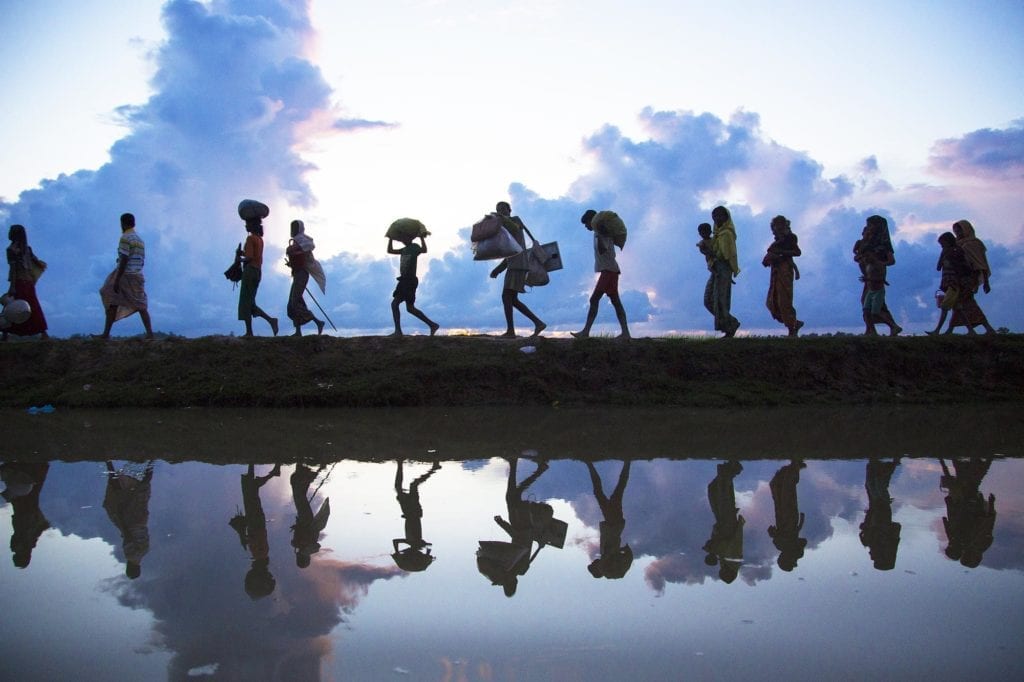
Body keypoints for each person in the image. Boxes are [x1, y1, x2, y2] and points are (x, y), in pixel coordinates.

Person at [489, 201, 545, 338]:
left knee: (506, 296)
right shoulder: (505, 229)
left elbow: (514, 247)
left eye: (503, 209)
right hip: (515, 264)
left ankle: (511, 331)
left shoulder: (515, 221)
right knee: (512, 298)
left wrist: (499, 269)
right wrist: (499, 268)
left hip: (517, 265)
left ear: (510, 210)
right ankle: (537, 323)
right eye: (498, 210)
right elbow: (509, 251)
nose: (501, 211)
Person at [571, 209, 630, 339]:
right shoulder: (600, 232)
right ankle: (626, 333)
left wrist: (599, 237)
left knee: (594, 299)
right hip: (611, 270)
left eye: (586, 224)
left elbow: (603, 250)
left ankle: (585, 332)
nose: (586, 227)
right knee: (616, 302)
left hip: (608, 271)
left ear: (591, 221)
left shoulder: (601, 232)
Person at [229, 463, 281, 599]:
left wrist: (244, 535)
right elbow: (258, 536)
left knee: (250, 493)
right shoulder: (260, 553)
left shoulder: (261, 555)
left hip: (256, 522)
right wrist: (244, 534)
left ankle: (252, 465)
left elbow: (256, 537)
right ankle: (269, 472)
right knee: (250, 492)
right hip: (256, 522)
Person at [98, 213, 154, 339]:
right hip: (137, 275)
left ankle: (106, 334)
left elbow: (124, 258)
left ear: (123, 224)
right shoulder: (140, 240)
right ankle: (150, 334)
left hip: (126, 275)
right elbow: (142, 260)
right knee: (141, 305)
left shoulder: (125, 238)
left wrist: (117, 279)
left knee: (110, 297)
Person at [103, 461, 155, 579]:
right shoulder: (130, 555)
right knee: (117, 494)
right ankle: (108, 461)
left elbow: (144, 533)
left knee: (142, 490)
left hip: (142, 520)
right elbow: (128, 536)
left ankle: (152, 461)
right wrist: (120, 517)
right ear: (129, 568)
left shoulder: (145, 551)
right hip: (131, 522)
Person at [853, 215, 901, 336]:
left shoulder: (884, 244)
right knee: (866, 303)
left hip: (876, 277)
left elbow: (891, 261)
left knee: (876, 306)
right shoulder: (867, 242)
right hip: (868, 276)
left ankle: (891, 326)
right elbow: (860, 256)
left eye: (871, 225)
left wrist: (879, 263)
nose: (869, 228)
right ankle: (871, 330)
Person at [584, 460, 633, 579]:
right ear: (597, 569)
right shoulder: (605, 566)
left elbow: (624, 556)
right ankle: (590, 464)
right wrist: (621, 551)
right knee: (607, 491)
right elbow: (616, 555)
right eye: (593, 564)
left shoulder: (606, 560)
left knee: (613, 491)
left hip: (613, 522)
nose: (593, 562)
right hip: (613, 522)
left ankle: (627, 462)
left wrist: (623, 550)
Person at [947, 219, 996, 335]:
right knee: (964, 303)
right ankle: (982, 328)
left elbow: (981, 264)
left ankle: (952, 330)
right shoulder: (957, 244)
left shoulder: (975, 243)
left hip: (970, 278)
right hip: (960, 278)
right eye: (955, 230)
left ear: (966, 229)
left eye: (959, 229)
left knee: (959, 302)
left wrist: (986, 282)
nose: (957, 232)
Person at [391, 460, 441, 572]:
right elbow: (395, 541)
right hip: (412, 512)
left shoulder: (415, 542)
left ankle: (432, 469)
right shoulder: (413, 542)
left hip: (412, 513)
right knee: (408, 486)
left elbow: (428, 548)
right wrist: (397, 551)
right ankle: (433, 469)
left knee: (408, 486)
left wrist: (425, 549)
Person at [388, 233, 439, 337]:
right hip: (403, 281)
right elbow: (390, 250)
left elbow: (424, 250)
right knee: (409, 308)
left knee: (395, 304)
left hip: (410, 281)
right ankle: (432, 325)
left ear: (410, 238)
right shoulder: (403, 250)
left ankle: (398, 331)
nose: (403, 240)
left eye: (405, 238)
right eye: (402, 239)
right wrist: (390, 238)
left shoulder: (414, 248)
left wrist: (421, 238)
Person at [237, 214, 278, 337]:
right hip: (257, 272)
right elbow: (254, 255)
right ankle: (270, 321)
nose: (246, 226)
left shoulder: (250, 239)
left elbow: (249, 257)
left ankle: (250, 331)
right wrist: (243, 253)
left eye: (247, 223)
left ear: (251, 225)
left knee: (245, 302)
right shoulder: (259, 239)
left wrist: (239, 259)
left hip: (250, 271)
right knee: (250, 302)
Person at [762, 215, 804, 336]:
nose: (775, 229)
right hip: (775, 271)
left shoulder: (790, 237)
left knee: (784, 300)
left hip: (785, 270)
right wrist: (768, 260)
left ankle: (792, 328)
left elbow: (797, 252)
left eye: (778, 226)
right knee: (772, 302)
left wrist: (780, 254)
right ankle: (793, 323)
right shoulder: (777, 241)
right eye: (774, 227)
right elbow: (769, 256)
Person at [4, 224, 48, 340]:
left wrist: (12, 286)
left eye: (10, 231)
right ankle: (43, 333)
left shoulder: (11, 250)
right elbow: (36, 262)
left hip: (18, 282)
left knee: (11, 307)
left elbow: (13, 270)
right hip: (28, 282)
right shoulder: (27, 249)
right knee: (33, 307)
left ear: (14, 234)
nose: (8, 233)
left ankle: (5, 334)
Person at [703, 460, 744, 583]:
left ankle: (728, 470)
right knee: (723, 494)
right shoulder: (733, 561)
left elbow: (719, 546)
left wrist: (712, 549)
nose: (720, 570)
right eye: (722, 573)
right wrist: (712, 549)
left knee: (715, 491)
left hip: (722, 524)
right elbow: (725, 545)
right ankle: (731, 470)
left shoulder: (727, 562)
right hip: (727, 525)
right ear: (727, 573)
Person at [284, 220, 325, 336]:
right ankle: (298, 331)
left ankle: (317, 321)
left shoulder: (303, 240)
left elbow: (309, 247)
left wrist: (296, 248)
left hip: (302, 274)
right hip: (297, 274)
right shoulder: (295, 241)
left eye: (294, 227)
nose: (292, 230)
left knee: (294, 303)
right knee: (294, 303)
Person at [927, 232, 972, 335]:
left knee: (944, 306)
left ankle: (937, 330)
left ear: (948, 242)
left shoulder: (957, 251)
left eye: (943, 244)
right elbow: (938, 267)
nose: (942, 246)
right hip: (949, 283)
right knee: (958, 308)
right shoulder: (946, 252)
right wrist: (943, 253)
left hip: (954, 283)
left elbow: (962, 266)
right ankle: (971, 330)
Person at [860, 457, 901, 570]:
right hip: (882, 507)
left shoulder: (872, 542)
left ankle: (875, 462)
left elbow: (866, 526)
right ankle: (892, 463)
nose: (871, 557)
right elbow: (896, 526)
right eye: (875, 558)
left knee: (871, 484)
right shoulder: (887, 542)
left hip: (875, 507)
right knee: (878, 484)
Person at [767, 460, 807, 571]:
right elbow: (803, 541)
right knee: (787, 491)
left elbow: (775, 534)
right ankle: (794, 467)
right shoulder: (796, 552)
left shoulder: (780, 546)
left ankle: (790, 469)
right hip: (790, 518)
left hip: (782, 516)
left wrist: (773, 533)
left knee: (779, 489)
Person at [290, 462, 330, 568]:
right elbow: (304, 534)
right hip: (305, 520)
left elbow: (315, 543)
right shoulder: (301, 546)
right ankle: (306, 472)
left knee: (300, 496)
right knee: (299, 496)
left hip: (307, 520)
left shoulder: (306, 547)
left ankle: (303, 471)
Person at [708, 206, 740, 337]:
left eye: (720, 216)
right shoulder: (716, 235)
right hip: (716, 268)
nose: (717, 219)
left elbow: (726, 254)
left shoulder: (726, 234)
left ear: (726, 217)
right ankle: (731, 322)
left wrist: (707, 251)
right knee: (709, 299)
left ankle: (729, 328)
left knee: (721, 300)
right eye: (715, 216)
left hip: (723, 268)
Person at [857, 245, 900, 336]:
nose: (865, 259)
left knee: (875, 312)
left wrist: (868, 279)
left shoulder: (879, 265)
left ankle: (893, 326)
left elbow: (880, 280)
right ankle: (871, 330)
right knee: (866, 310)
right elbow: (857, 258)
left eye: (867, 256)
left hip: (877, 291)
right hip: (870, 290)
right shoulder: (868, 265)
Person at [697, 222, 716, 325]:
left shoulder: (714, 241)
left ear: (710, 231)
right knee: (708, 301)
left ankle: (727, 321)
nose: (703, 234)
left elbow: (713, 252)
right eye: (701, 232)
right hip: (713, 269)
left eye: (705, 232)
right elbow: (702, 249)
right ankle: (724, 319)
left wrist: (706, 251)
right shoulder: (703, 242)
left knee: (709, 300)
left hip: (716, 269)